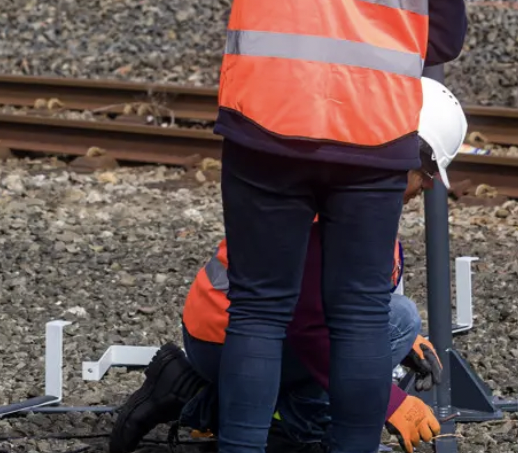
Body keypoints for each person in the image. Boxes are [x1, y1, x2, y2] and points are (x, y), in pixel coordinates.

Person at [141, 0, 470, 453]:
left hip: (267, 125)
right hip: (376, 138)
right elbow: (442, 38)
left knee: (260, 309)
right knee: (358, 316)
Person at [108, 79, 469, 453]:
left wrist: (401, 339)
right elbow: (310, 329)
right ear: (405, 154)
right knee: (395, 319)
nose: (427, 187)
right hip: (235, 338)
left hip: (224, 329)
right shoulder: (340, 205)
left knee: (398, 323)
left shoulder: (341, 176)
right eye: (427, 174)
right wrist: (389, 401)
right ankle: (303, 434)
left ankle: (196, 392)